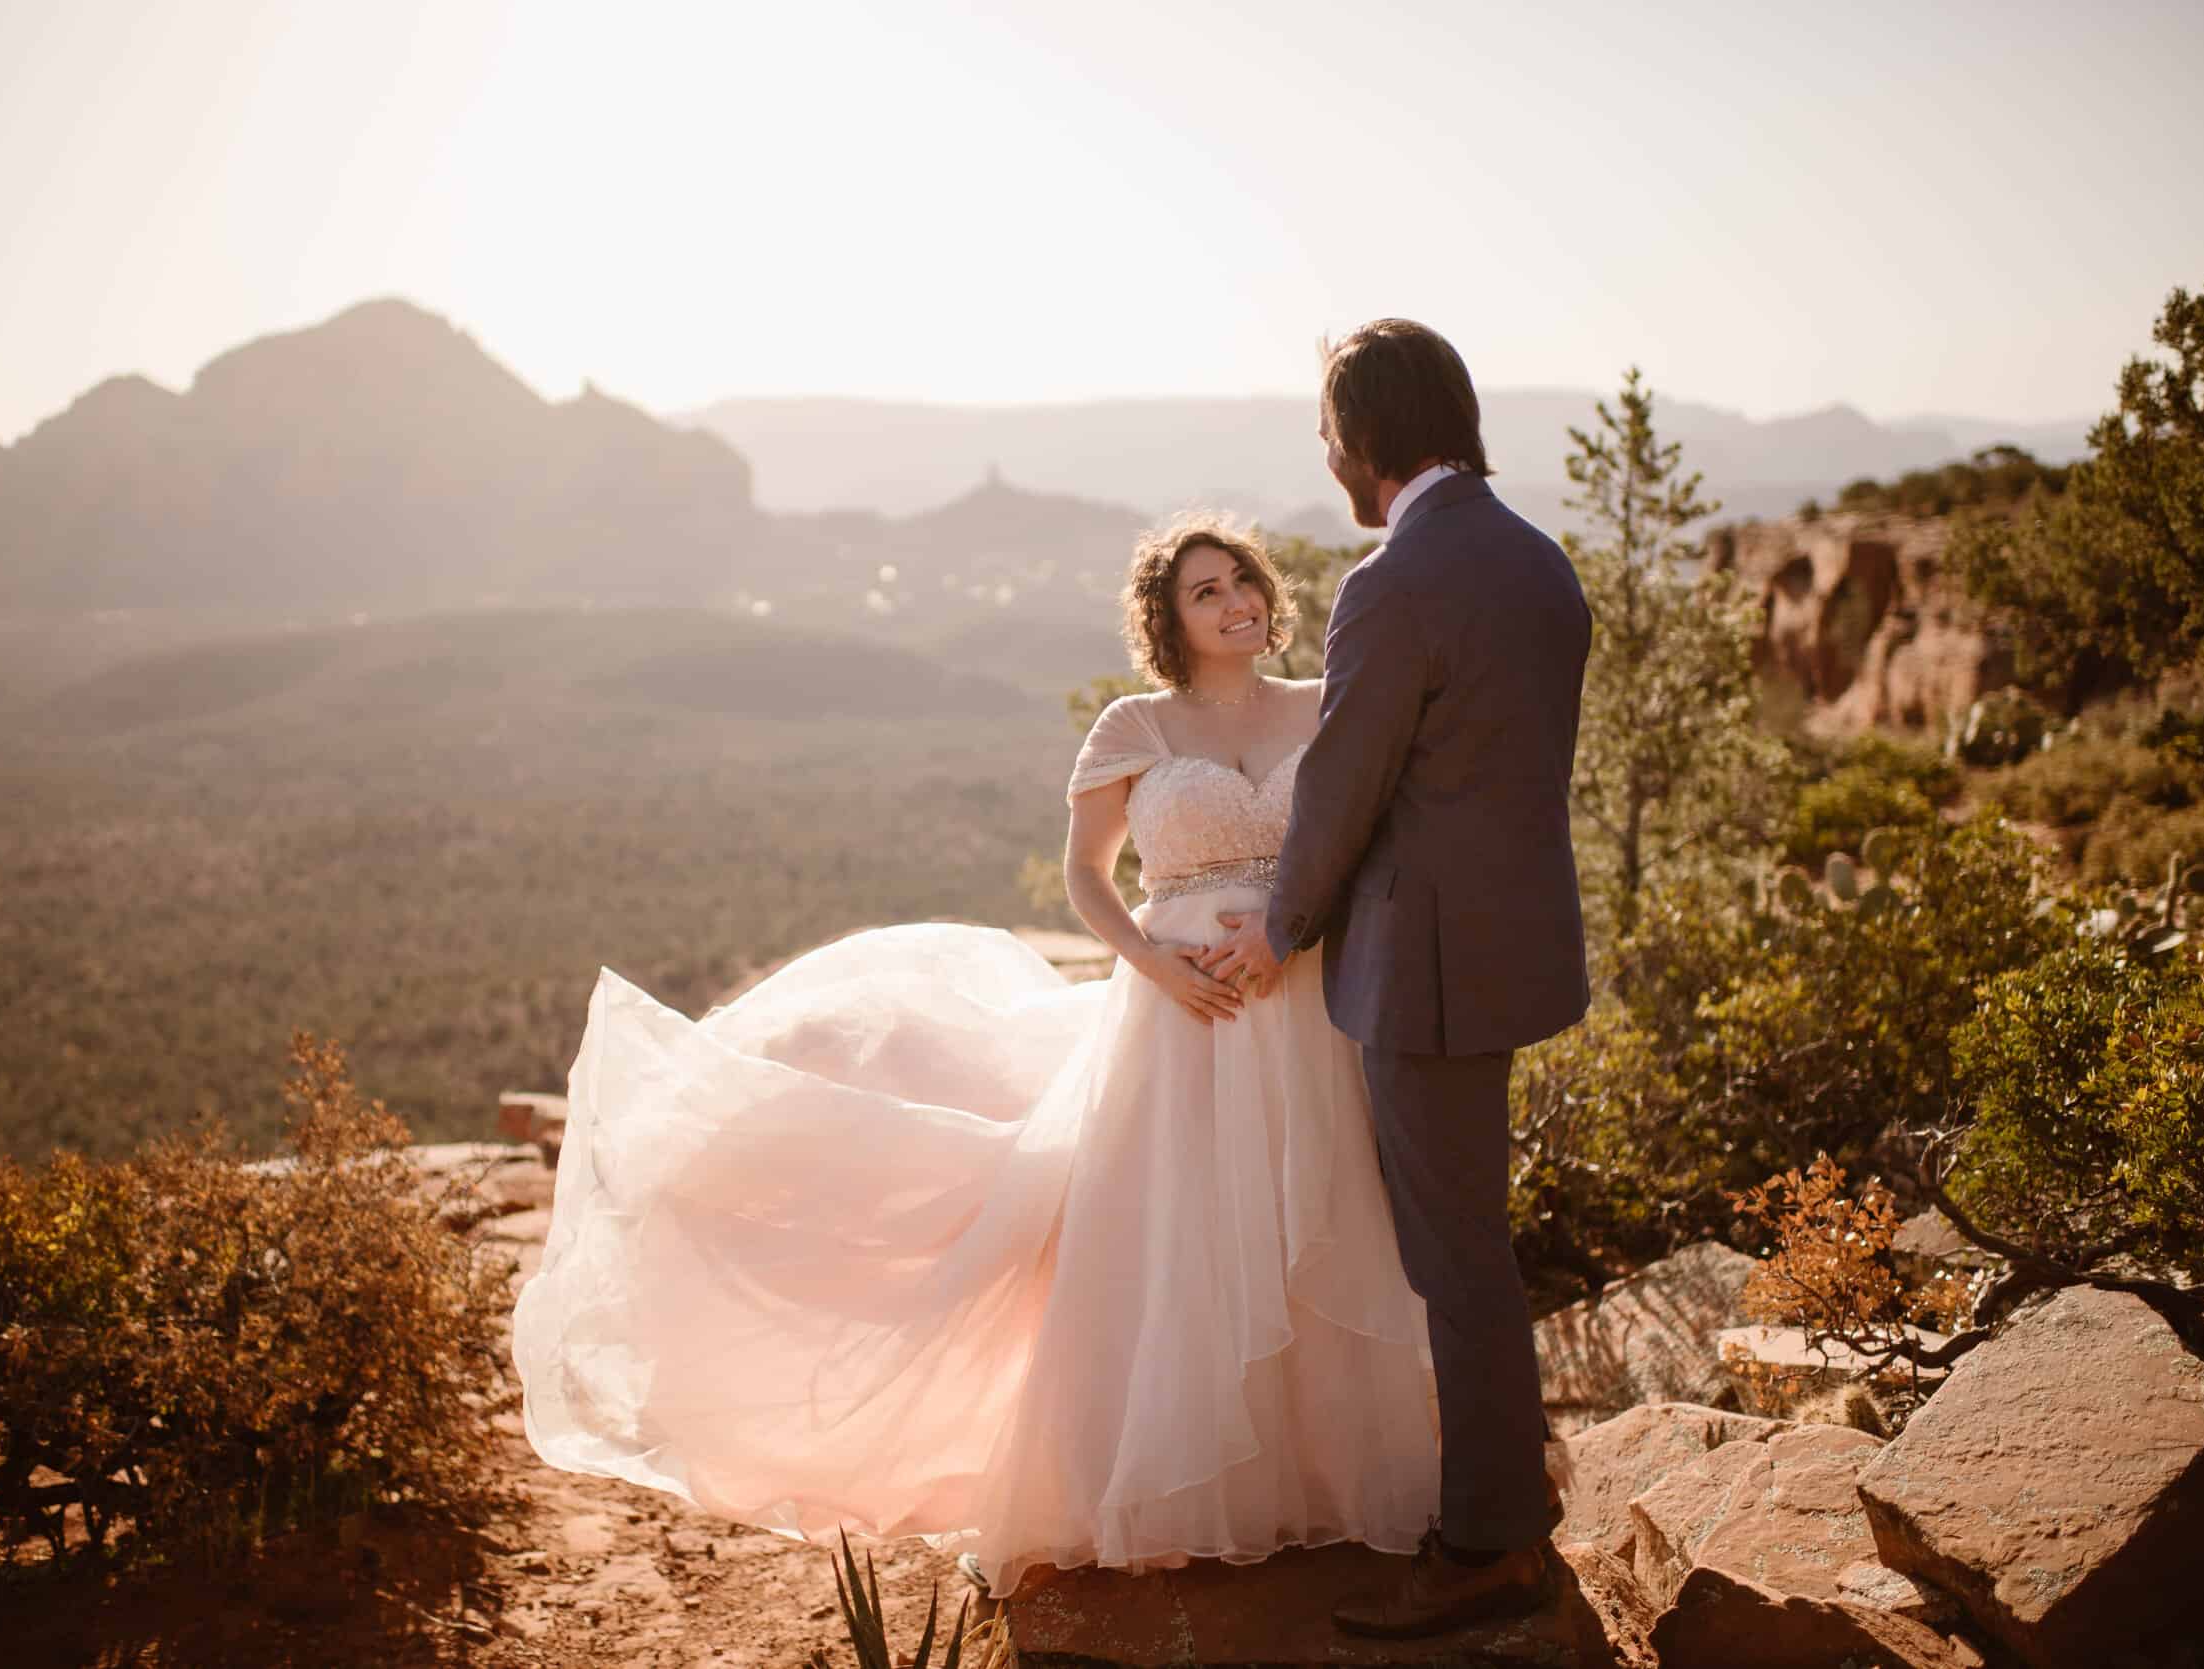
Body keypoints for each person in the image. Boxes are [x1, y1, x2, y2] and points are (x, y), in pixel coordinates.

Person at [511, 509, 1445, 1601]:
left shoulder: (1319, 706)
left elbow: (1358, 837)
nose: (1235, 598)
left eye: (1241, 578)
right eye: (1204, 589)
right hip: (1184, 1010)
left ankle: (1326, 1471)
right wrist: (1156, 963)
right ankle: (1183, 1480)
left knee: (1310, 1210)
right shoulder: (1133, 728)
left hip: (1297, 996)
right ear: (1168, 620)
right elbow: (1089, 878)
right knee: (1182, 1226)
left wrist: (1293, 929)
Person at [1204, 318, 1592, 1638]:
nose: (1325, 454)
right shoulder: (1540, 564)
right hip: (1510, 949)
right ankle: (1503, 1496)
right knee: (1471, 1237)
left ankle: (1488, 1543)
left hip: (1421, 969)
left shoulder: (1398, 579)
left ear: (1367, 438)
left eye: (1329, 430)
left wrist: (1281, 923)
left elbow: (1345, 786)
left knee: (1456, 1254)